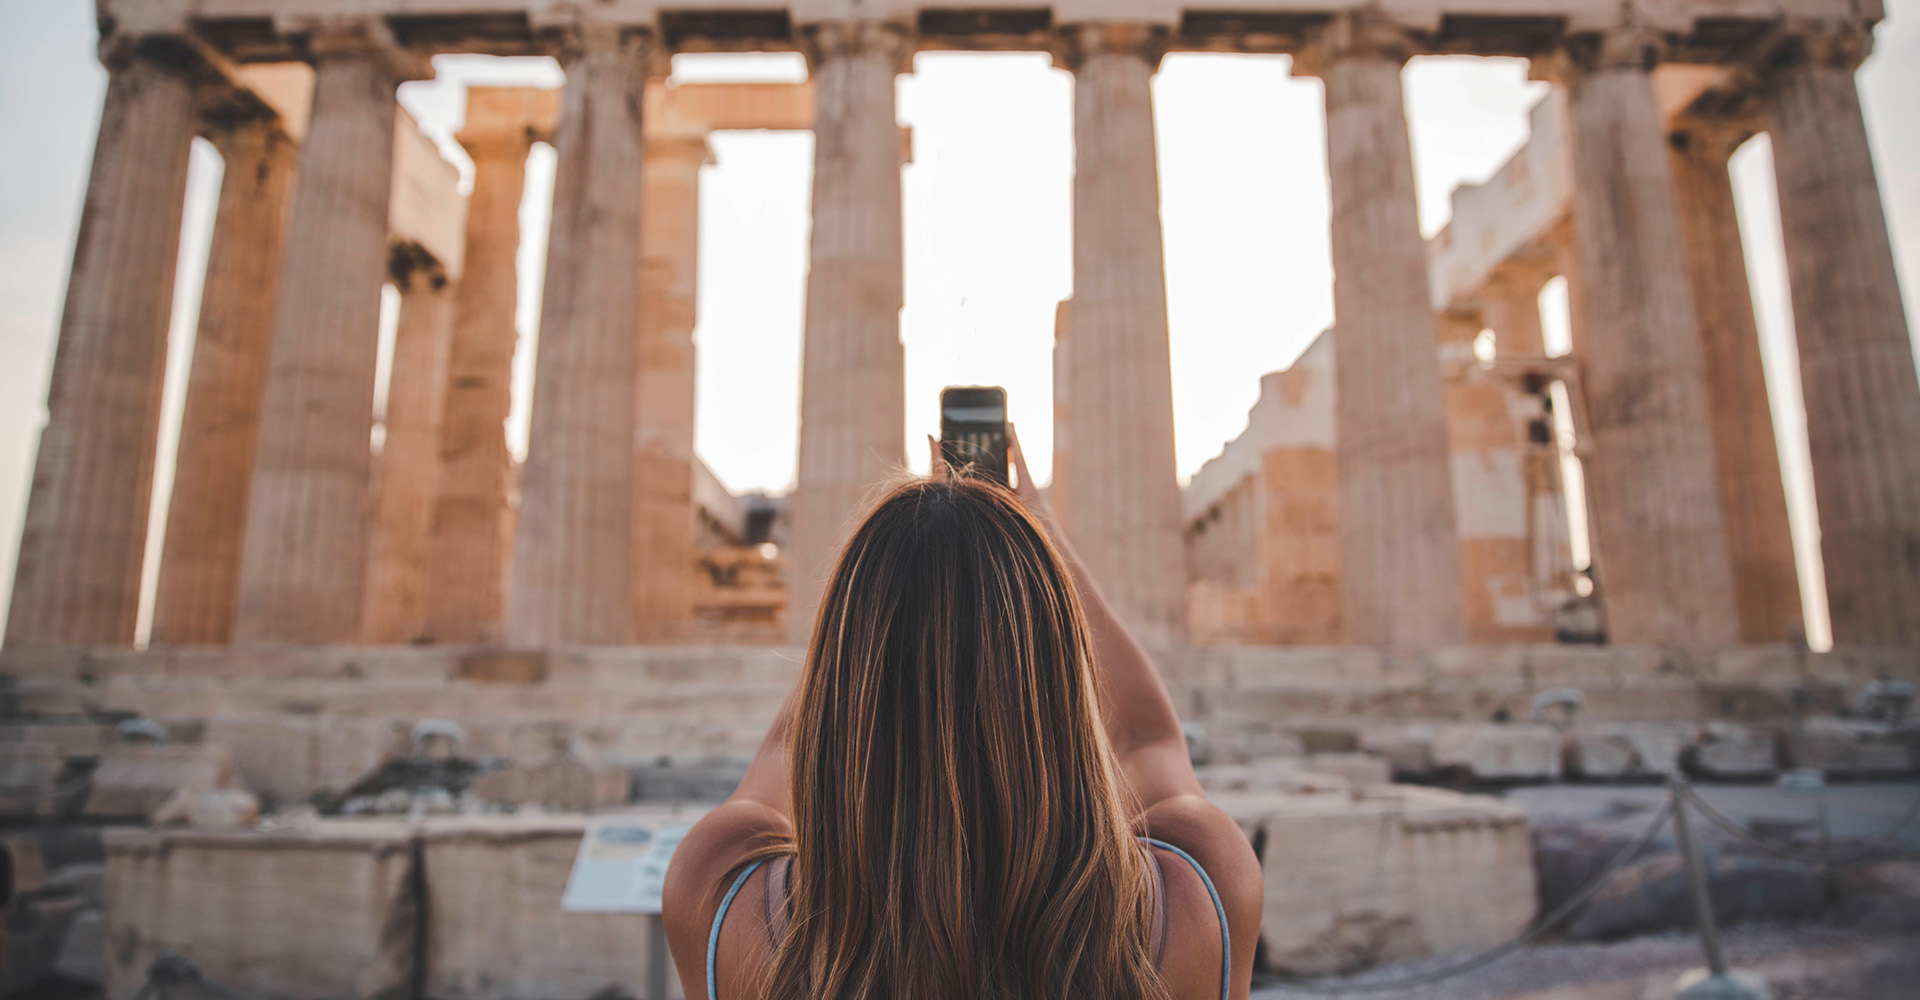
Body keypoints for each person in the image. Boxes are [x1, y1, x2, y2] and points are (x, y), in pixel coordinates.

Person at [663, 428, 1261, 1000]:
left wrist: (872, 613)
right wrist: (1044, 540)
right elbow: (1146, 739)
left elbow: (787, 749)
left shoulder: (719, 891)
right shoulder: (1199, 893)